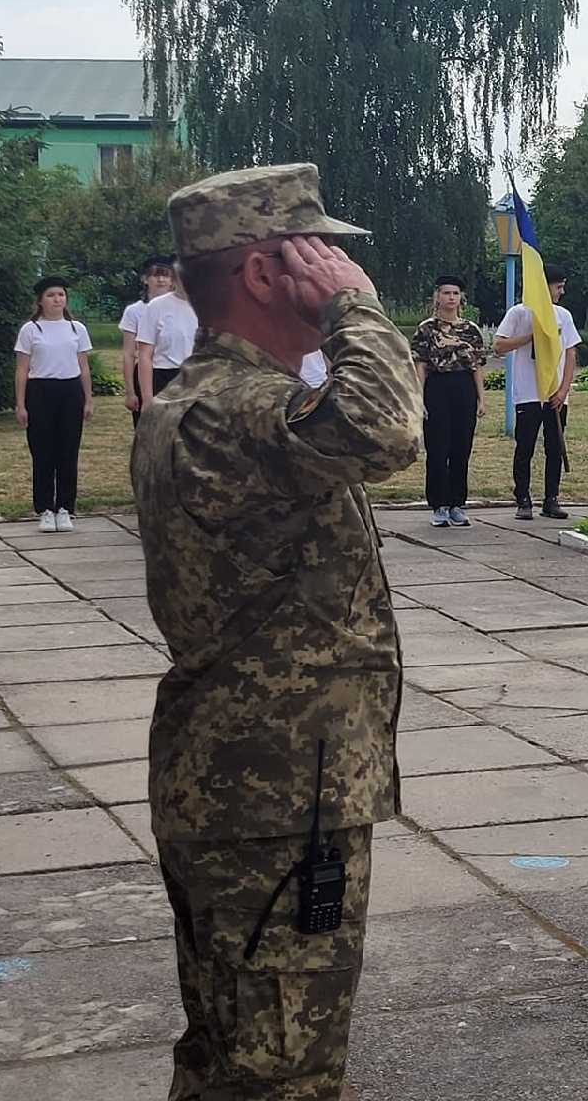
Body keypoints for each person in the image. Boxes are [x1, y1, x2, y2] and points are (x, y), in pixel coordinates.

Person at [132, 163, 421, 1101]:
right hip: (278, 797)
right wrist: (355, 310)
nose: (340, 268)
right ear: (263, 273)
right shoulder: (236, 407)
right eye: (320, 253)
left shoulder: (204, 400)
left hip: (249, 787)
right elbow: (385, 429)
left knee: (228, 1059)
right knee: (280, 1075)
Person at [493, 262, 581, 521]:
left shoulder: (563, 315)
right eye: (558, 287)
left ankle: (551, 498)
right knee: (525, 447)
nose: (561, 292)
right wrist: (530, 336)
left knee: (554, 448)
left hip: (555, 393)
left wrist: (564, 389)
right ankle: (523, 498)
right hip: (529, 392)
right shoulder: (519, 313)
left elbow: (570, 353)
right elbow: (499, 346)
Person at [13, 277, 93, 533]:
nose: (57, 299)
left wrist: (88, 399)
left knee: (68, 451)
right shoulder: (31, 330)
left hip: (70, 391)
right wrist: (21, 404)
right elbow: (22, 369)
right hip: (40, 391)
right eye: (51, 295)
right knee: (43, 452)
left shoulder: (76, 329)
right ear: (40, 301)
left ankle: (65, 508)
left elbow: (83, 366)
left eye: (61, 294)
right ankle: (45, 509)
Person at [410, 275, 487, 527]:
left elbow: (476, 365)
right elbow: (420, 365)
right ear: (437, 296)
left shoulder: (470, 329)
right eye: (446, 293)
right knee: (437, 448)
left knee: (461, 447)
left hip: (463, 387)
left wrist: (481, 398)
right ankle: (439, 505)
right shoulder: (426, 329)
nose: (451, 298)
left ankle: (456, 503)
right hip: (437, 387)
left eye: (455, 293)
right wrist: (419, 397)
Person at [120, 255, 175, 427]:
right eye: (155, 275)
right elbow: (129, 354)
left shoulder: (183, 307)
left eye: (165, 275)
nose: (161, 280)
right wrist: (130, 392)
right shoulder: (134, 311)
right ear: (145, 279)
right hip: (149, 374)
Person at [136, 272, 200, 407]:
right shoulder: (156, 306)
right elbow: (144, 354)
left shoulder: (212, 305)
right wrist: (147, 399)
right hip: (165, 379)